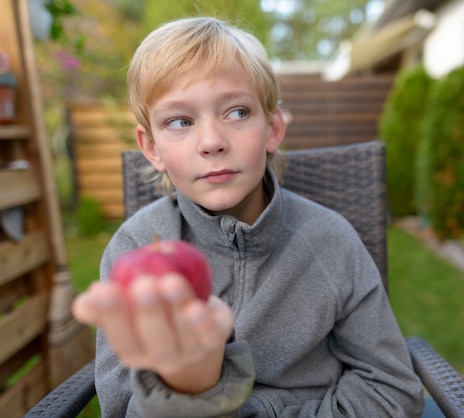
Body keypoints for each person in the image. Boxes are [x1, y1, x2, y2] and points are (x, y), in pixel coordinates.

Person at [72, 16, 424, 417]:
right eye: (180, 121)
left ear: (273, 128)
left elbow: (392, 390)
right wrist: (184, 384)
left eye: (237, 112)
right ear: (151, 147)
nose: (212, 142)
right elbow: (120, 410)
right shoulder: (133, 250)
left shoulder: (331, 240)